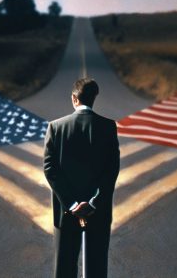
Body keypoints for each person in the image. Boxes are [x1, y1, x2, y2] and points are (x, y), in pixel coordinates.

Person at [43, 78, 120, 278]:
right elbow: (111, 171)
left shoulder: (56, 127)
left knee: (65, 267)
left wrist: (71, 203)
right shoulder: (108, 127)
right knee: (97, 266)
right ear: (94, 98)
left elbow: (50, 169)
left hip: (66, 211)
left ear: (74, 99)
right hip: (98, 211)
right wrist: (94, 203)